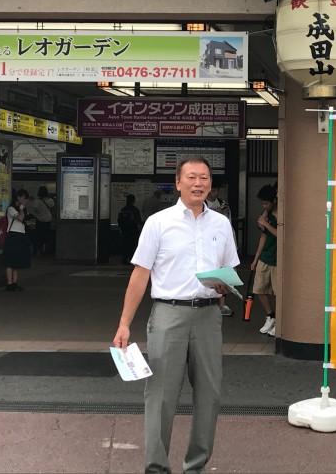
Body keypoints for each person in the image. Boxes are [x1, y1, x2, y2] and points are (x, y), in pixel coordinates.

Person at [112, 155, 239, 474]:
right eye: (192, 178)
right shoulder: (159, 222)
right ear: (178, 183)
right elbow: (140, 274)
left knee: (209, 394)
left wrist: (225, 286)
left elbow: (230, 269)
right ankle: (156, 467)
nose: (199, 183)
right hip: (168, 315)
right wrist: (124, 323)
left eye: (205, 178)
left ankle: (195, 466)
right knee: (161, 396)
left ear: (211, 184)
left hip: (210, 316)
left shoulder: (221, 224)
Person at [251, 183, 278, 337]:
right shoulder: (265, 213)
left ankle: (279, 321)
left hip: (276, 258)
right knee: (259, 289)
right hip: (264, 257)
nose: (264, 205)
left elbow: (281, 235)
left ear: (274, 200)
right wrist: (255, 259)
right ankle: (271, 316)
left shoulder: (278, 214)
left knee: (277, 292)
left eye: (266, 203)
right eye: (262, 203)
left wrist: (266, 224)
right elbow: (263, 236)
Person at [205, 180, 234, 317]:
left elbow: (227, 219)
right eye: (213, 190)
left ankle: (222, 304)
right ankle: (210, 302)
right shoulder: (202, 204)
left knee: (223, 272)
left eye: (217, 191)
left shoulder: (223, 203)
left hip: (222, 241)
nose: (216, 193)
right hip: (208, 243)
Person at [2, 189, 32, 291]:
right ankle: (9, 284)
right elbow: (20, 218)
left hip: (20, 235)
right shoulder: (11, 209)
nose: (24, 201)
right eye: (23, 198)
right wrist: (22, 208)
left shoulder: (21, 208)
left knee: (17, 261)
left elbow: (23, 219)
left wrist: (22, 209)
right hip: (13, 235)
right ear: (18, 197)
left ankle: (14, 282)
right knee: (10, 261)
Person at [117, 194, 143, 265]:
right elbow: (139, 221)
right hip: (133, 230)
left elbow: (119, 220)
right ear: (133, 201)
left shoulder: (123, 209)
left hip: (125, 230)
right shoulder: (135, 210)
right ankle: (132, 258)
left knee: (126, 244)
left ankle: (125, 258)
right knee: (133, 244)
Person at [30, 186, 54, 256]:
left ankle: (39, 251)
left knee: (39, 236)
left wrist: (40, 212)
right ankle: (45, 250)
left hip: (40, 221)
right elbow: (53, 209)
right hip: (48, 221)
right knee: (46, 236)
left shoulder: (37, 201)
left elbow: (35, 211)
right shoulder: (51, 200)